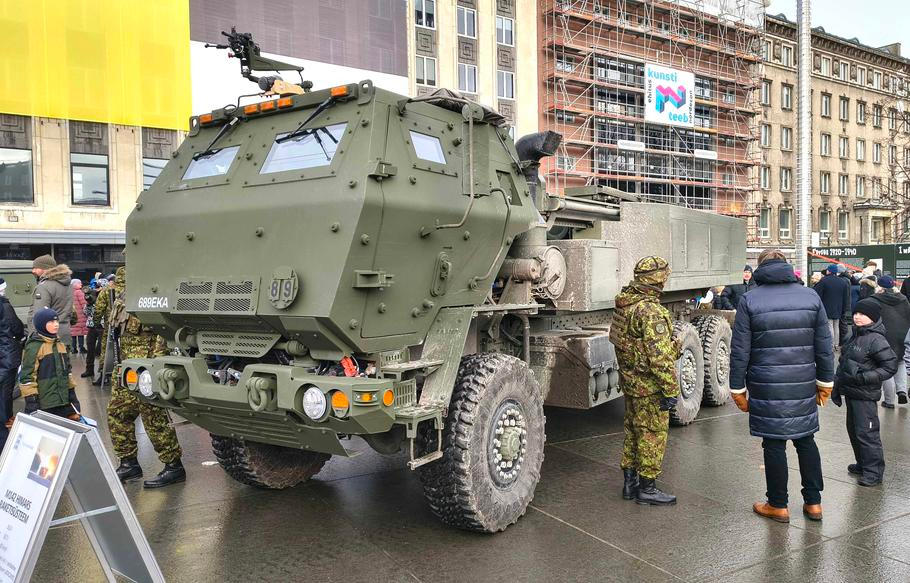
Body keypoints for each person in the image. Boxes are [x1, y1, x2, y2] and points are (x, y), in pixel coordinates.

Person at [729, 249, 835, 523]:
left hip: (766, 385)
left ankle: (778, 505)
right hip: (802, 382)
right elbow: (825, 346)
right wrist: (825, 382)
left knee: (774, 444)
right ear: (788, 268)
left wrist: (737, 388)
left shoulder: (750, 299)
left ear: (760, 268)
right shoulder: (810, 296)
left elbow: (740, 349)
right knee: (806, 440)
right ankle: (814, 503)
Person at [105, 266, 186, 488]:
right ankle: (128, 463)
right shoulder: (121, 298)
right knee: (117, 413)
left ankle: (173, 465)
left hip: (147, 368)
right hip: (126, 368)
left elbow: (163, 333)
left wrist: (158, 365)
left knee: (153, 416)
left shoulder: (154, 294)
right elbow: (114, 333)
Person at [610, 256, 679, 506]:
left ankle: (630, 484)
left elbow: (628, 345)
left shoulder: (625, 304)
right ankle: (647, 488)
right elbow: (659, 358)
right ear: (658, 279)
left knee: (633, 431)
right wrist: (671, 389)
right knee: (652, 434)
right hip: (649, 386)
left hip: (631, 382)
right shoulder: (650, 311)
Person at [832, 299, 897, 487]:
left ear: (873, 318)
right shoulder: (855, 335)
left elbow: (890, 366)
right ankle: (863, 464)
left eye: (862, 314)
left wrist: (866, 377)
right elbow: (844, 363)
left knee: (867, 434)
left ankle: (874, 472)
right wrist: (838, 386)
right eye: (856, 313)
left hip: (865, 395)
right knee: (854, 431)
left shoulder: (876, 339)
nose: (857, 317)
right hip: (852, 392)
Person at [18, 308, 82, 421]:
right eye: (51, 322)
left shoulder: (60, 344)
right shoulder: (34, 347)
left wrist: (72, 398)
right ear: (42, 324)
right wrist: (32, 402)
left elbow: (67, 372)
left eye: (57, 321)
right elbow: (27, 377)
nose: (56, 324)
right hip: (44, 404)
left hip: (62, 402)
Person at [868, 276, 910, 408]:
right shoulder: (903, 299)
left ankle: (889, 400)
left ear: (879, 286)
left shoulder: (875, 300)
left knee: (885, 365)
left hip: (884, 336)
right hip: (902, 335)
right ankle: (901, 390)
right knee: (901, 362)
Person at [26, 255, 74, 348]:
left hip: (47, 339)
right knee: (64, 362)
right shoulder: (67, 285)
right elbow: (72, 312)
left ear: (45, 268)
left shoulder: (44, 286)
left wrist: (34, 337)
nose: (33, 271)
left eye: (36, 268)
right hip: (64, 335)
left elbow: (39, 315)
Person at [0, 278, 25, 451]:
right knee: (4, 397)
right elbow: (16, 328)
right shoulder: (4, 306)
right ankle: (4, 441)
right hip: (6, 357)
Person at [813, 264, 851, 347]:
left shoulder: (824, 280)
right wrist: (844, 309)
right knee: (836, 326)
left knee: (829, 326)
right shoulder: (842, 282)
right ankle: (836, 344)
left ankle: (831, 344)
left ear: (829, 271)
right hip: (839, 308)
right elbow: (846, 297)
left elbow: (817, 294)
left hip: (827, 307)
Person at [81, 280, 105, 380]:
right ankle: (89, 370)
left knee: (100, 349)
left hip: (102, 326)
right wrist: (89, 304)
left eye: (99, 286)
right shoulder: (91, 298)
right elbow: (86, 313)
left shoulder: (104, 296)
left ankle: (102, 371)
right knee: (90, 349)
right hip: (91, 326)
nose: (97, 288)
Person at [70, 279, 88, 354]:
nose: (81, 284)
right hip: (80, 315)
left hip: (72, 314)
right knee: (80, 332)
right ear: (75, 284)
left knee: (73, 332)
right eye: (79, 283)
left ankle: (73, 348)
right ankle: (81, 347)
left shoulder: (69, 292)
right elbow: (84, 303)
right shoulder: (79, 292)